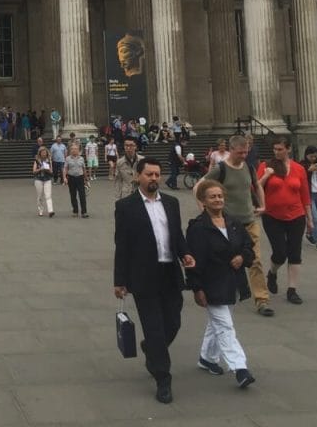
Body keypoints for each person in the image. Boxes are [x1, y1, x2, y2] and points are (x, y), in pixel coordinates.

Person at [113, 158, 195, 404]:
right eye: (149, 174)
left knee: (174, 321)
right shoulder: (125, 207)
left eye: (157, 174)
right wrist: (120, 280)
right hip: (143, 276)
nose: (154, 178)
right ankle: (163, 378)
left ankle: (151, 347)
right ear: (138, 176)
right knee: (154, 327)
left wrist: (186, 254)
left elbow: (176, 235)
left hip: (169, 272)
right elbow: (122, 245)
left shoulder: (171, 202)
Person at [185, 180, 256, 388]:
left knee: (218, 322)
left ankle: (207, 357)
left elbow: (248, 247)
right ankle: (240, 367)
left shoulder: (233, 222)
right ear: (203, 201)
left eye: (220, 196)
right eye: (212, 197)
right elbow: (193, 262)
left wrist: (242, 258)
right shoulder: (198, 228)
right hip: (212, 283)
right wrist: (196, 288)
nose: (218, 200)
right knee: (225, 325)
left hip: (233, 281)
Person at [198, 135, 273, 317]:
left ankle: (262, 300)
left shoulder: (248, 166)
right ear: (231, 150)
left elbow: (257, 185)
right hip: (228, 225)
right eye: (240, 152)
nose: (244, 155)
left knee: (255, 260)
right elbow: (200, 187)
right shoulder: (220, 169)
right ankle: (224, 293)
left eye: (246, 152)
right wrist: (205, 211)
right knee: (225, 261)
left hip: (249, 221)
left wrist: (263, 205)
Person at [257, 138, 311, 305]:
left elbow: (305, 195)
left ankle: (292, 289)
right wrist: (266, 175)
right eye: (275, 149)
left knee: (295, 252)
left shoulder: (299, 169)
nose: (276, 152)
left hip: (297, 215)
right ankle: (272, 273)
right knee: (280, 252)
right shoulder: (266, 166)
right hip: (272, 216)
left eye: (280, 149)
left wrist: (310, 219)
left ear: (288, 149)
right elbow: (255, 187)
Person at [303, 146, 317, 250]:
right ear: (306, 155)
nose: (313, 158)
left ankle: (309, 233)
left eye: (315, 156)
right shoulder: (303, 164)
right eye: (311, 156)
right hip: (309, 194)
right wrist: (309, 170)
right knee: (315, 218)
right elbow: (301, 177)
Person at [63, 143, 89, 218]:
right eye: (72, 149)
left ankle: (84, 212)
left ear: (78, 150)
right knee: (73, 195)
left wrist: (86, 179)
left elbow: (84, 169)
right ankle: (75, 211)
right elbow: (65, 169)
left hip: (80, 178)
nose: (74, 150)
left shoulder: (81, 158)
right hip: (71, 178)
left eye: (76, 149)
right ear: (70, 150)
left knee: (82, 195)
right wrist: (64, 177)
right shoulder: (67, 158)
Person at [32, 146, 55, 217]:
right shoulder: (36, 161)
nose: (44, 154)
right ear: (40, 153)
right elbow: (34, 171)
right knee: (40, 196)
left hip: (47, 179)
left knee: (48, 195)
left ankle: (50, 211)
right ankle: (40, 210)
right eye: (42, 152)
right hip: (38, 179)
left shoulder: (49, 160)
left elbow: (51, 171)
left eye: (45, 152)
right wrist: (40, 169)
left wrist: (47, 169)